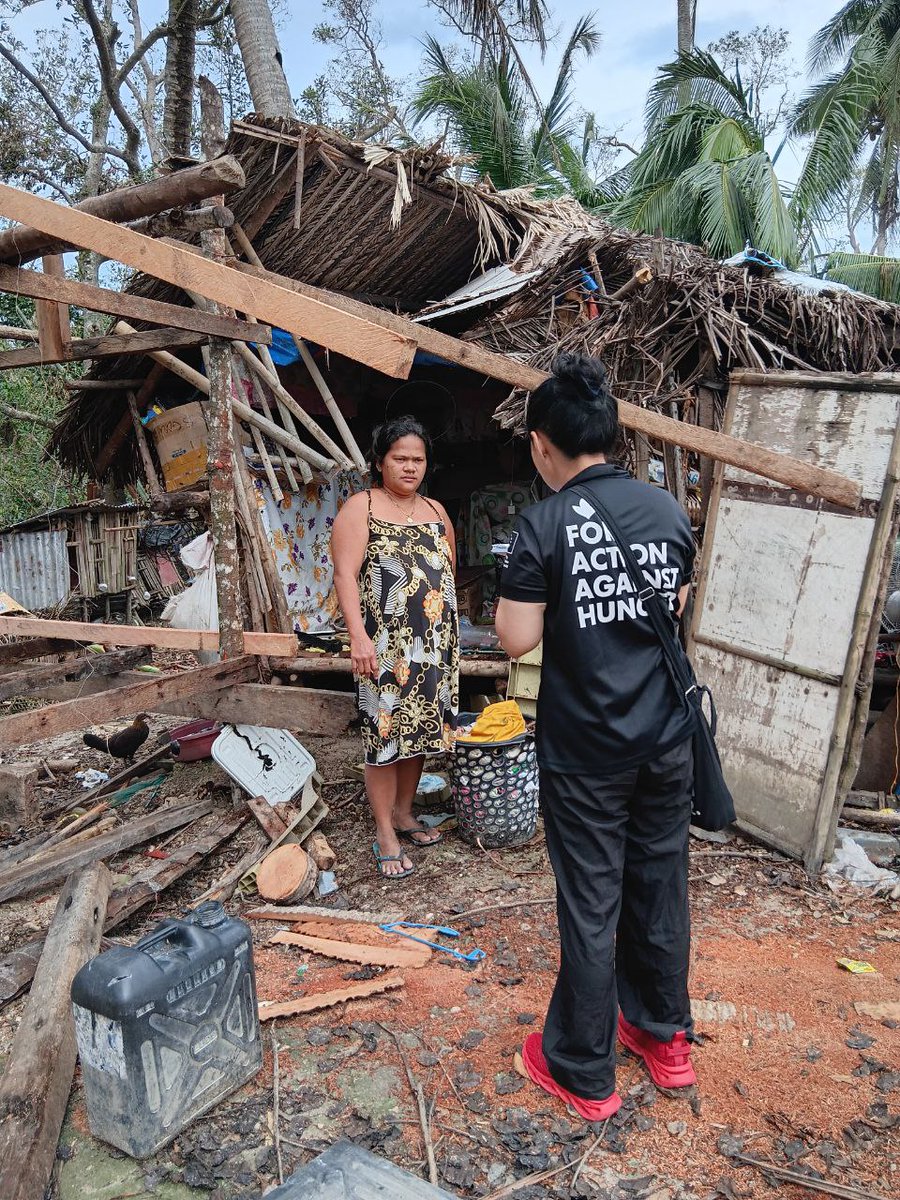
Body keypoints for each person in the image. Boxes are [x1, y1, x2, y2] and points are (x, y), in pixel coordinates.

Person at [495, 352, 697, 1120]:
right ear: (611, 437)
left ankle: (582, 1067)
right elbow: (672, 605)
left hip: (587, 752)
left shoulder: (542, 523)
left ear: (545, 444)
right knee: (659, 885)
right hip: (665, 742)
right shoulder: (668, 511)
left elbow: (515, 639)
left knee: (591, 902)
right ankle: (665, 1039)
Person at [332, 416, 459, 879]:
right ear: (380, 461)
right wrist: (358, 636)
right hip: (382, 646)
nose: (410, 467)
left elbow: (448, 572)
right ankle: (385, 830)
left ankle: (405, 812)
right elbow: (345, 576)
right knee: (384, 737)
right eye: (400, 459)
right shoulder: (360, 508)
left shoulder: (437, 512)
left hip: (434, 645)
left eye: (418, 459)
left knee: (420, 730)